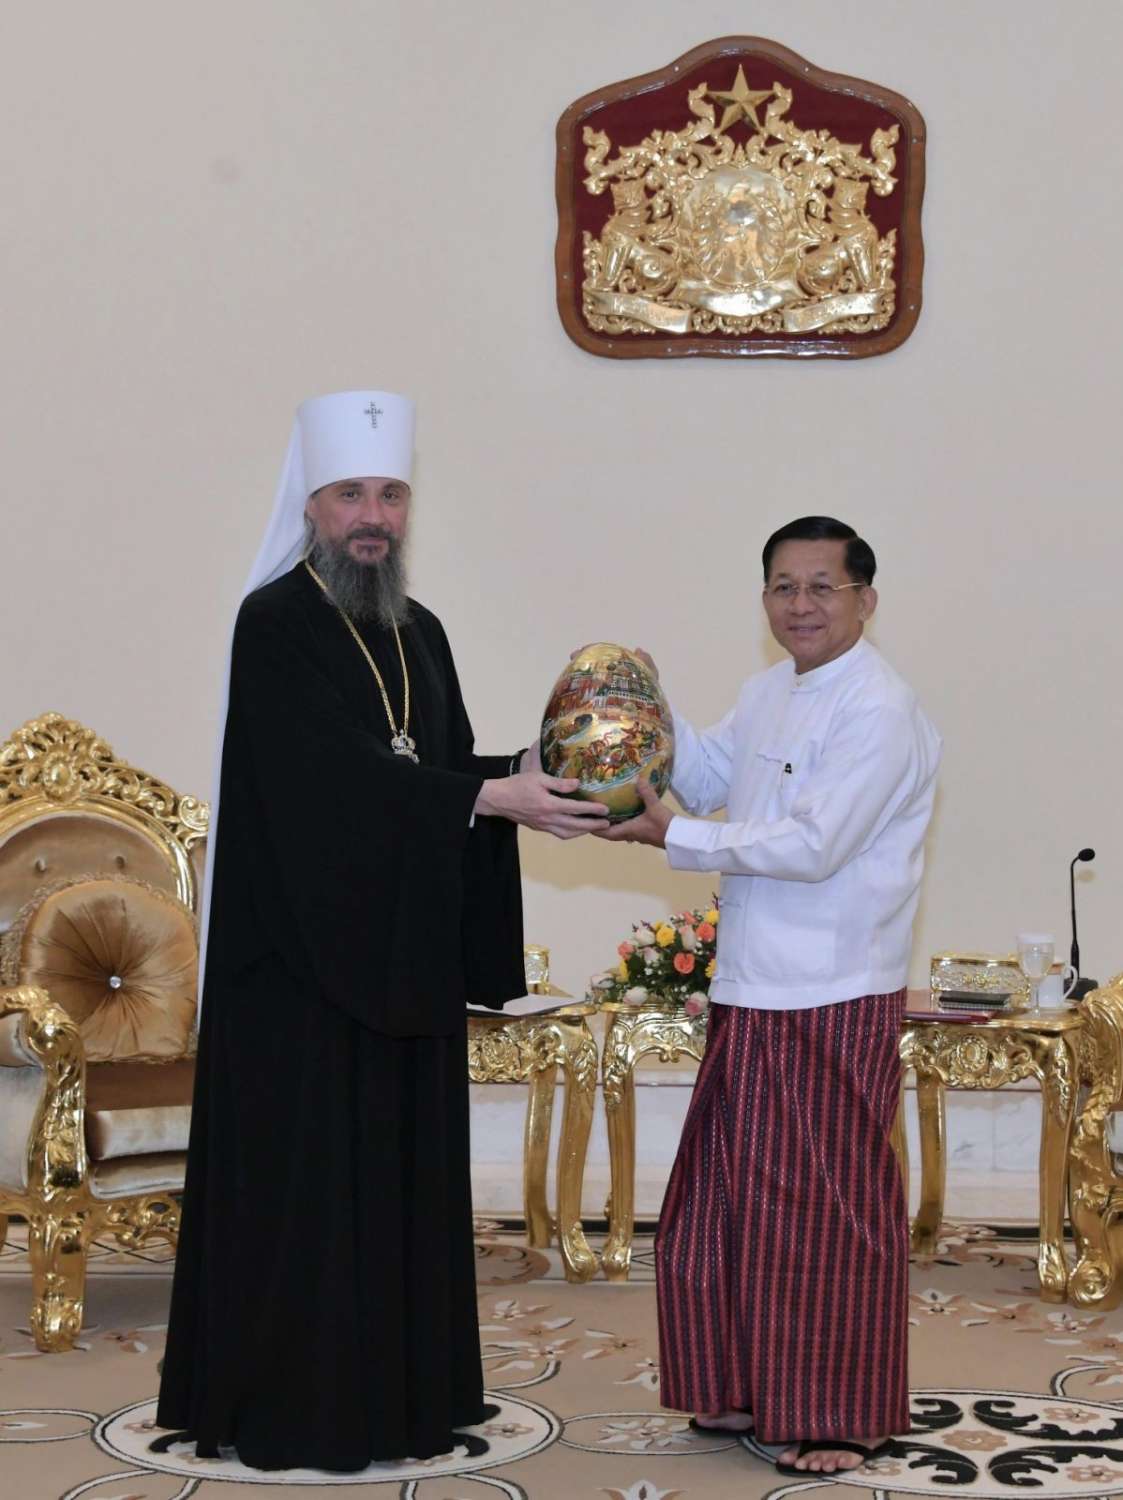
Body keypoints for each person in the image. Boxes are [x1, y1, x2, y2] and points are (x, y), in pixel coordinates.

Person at [156, 389, 606, 1472]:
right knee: (312, 1199)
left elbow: (430, 765)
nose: (374, 516)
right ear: (311, 505)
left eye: (392, 495)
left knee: (399, 1191)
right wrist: (484, 798)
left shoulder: (422, 631)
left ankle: (409, 1400)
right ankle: (297, 1409)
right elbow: (324, 785)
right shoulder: (273, 622)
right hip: (297, 977)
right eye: (352, 494)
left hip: (398, 961)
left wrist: (526, 777)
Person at [597, 516, 941, 1475]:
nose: (801, 605)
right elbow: (709, 775)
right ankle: (739, 1383)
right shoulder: (767, 691)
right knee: (724, 1196)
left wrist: (673, 836)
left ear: (865, 599)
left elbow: (813, 844)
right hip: (752, 985)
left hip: (832, 988)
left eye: (822, 586)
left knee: (824, 1208)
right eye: (783, 587)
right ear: (764, 600)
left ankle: (838, 1413)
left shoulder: (879, 708)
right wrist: (648, 708)